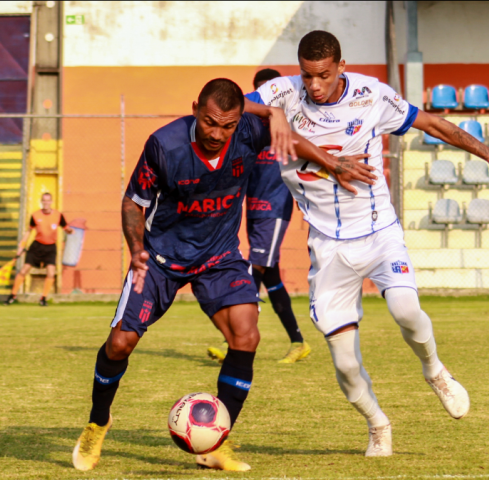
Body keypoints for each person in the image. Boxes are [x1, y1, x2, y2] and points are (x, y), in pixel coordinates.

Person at [245, 31, 489, 457]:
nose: (314, 86)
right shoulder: (282, 92)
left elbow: (433, 124)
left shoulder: (371, 95)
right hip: (329, 247)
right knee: (345, 364)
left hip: (379, 231)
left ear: (341, 67)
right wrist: (270, 113)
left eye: (324, 76)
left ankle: (435, 371)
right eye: (308, 75)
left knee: (406, 309)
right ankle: (377, 424)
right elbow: (222, 101)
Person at [72, 78, 375, 472]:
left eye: (227, 126)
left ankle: (215, 444)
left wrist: (333, 163)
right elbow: (134, 201)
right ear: (196, 107)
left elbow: (294, 142)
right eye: (210, 122)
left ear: (239, 121)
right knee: (120, 343)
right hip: (161, 257)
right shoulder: (165, 144)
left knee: (247, 335)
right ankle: (98, 423)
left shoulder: (249, 131)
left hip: (218, 256)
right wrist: (136, 249)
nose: (217, 133)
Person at [207, 68, 310, 365]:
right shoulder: (249, 127)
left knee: (256, 269)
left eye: (273, 91)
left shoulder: (290, 123)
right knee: (272, 277)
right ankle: (298, 342)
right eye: (262, 93)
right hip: (252, 207)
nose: (269, 100)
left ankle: (236, 343)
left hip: (275, 208)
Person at [4, 192, 72, 306]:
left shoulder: (58, 215)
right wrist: (21, 246)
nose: (46, 203)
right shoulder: (35, 215)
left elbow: (66, 227)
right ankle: (12, 295)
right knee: (24, 270)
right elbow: (29, 232)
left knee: (50, 273)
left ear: (51, 202)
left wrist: (70, 231)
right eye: (44, 200)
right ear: (41, 202)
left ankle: (43, 298)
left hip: (50, 247)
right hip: (36, 246)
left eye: (48, 200)